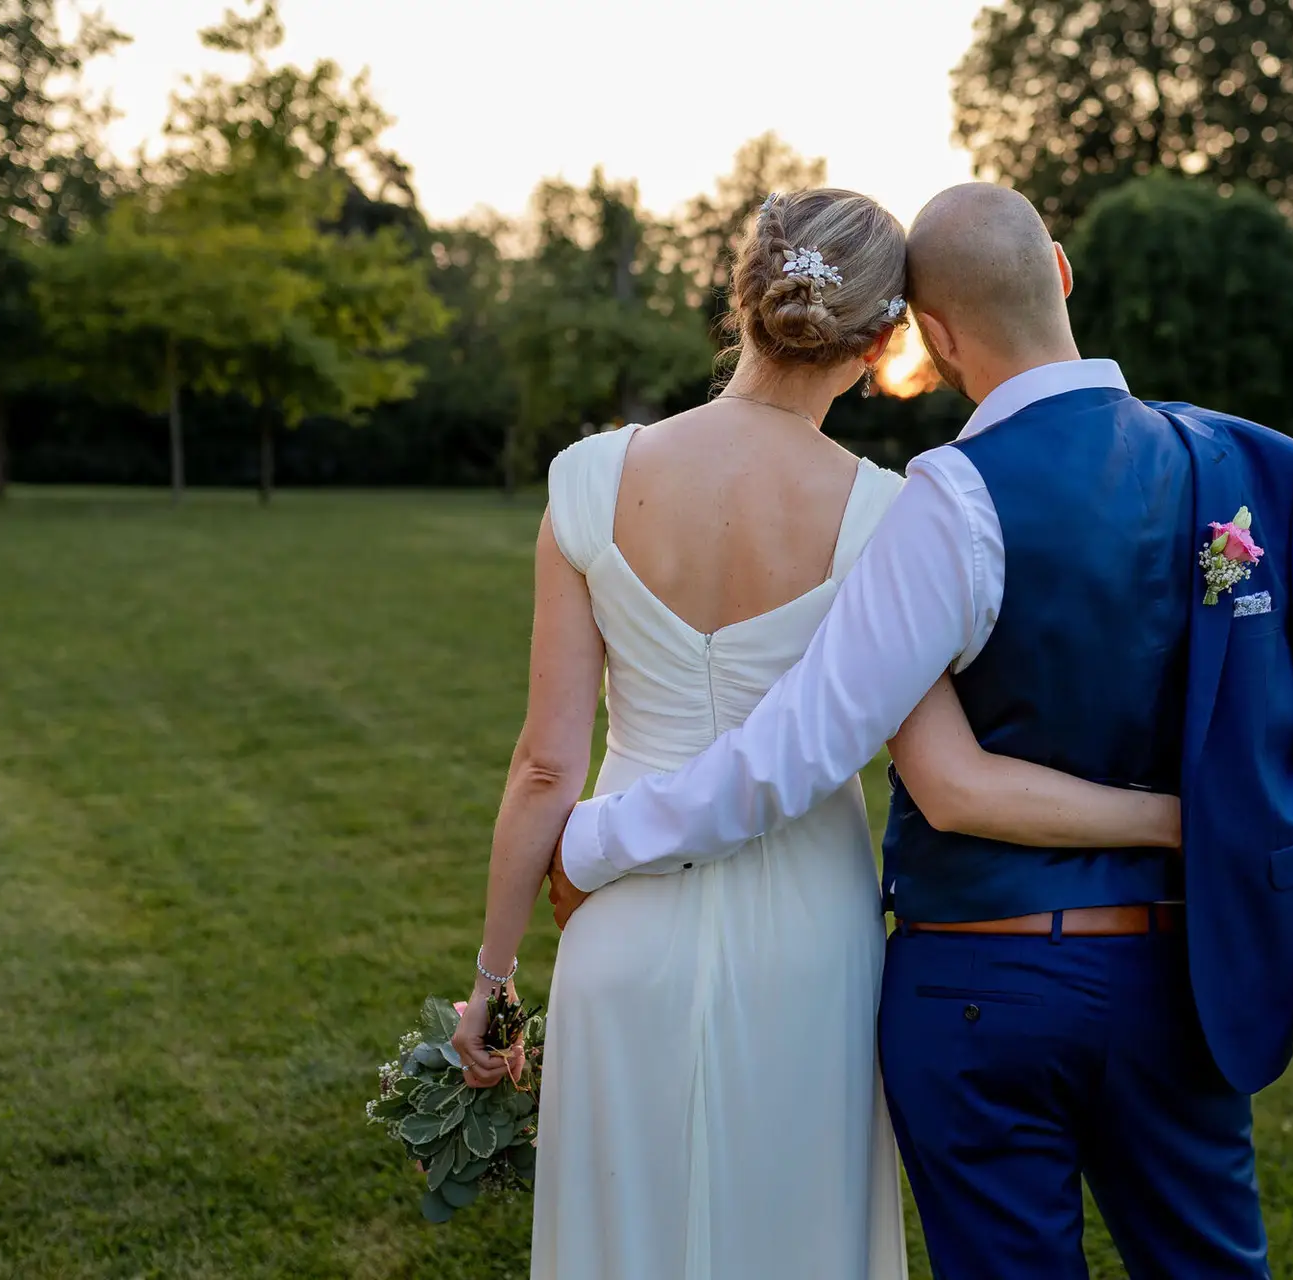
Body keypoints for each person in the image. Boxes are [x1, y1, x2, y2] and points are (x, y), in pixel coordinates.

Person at [546, 183, 1293, 1279]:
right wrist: (1203, 824)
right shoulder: (1242, 470)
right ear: (1063, 271)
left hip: (981, 991)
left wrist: (596, 839)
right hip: (1183, 979)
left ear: (930, 339)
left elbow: (812, 741)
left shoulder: (950, 496)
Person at [449, 188, 1183, 1280]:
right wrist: (1183, 813)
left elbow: (547, 763)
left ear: (740, 293)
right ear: (888, 339)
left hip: (621, 927)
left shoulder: (592, 480)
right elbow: (950, 778)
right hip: (810, 936)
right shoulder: (894, 514)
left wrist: (494, 978)